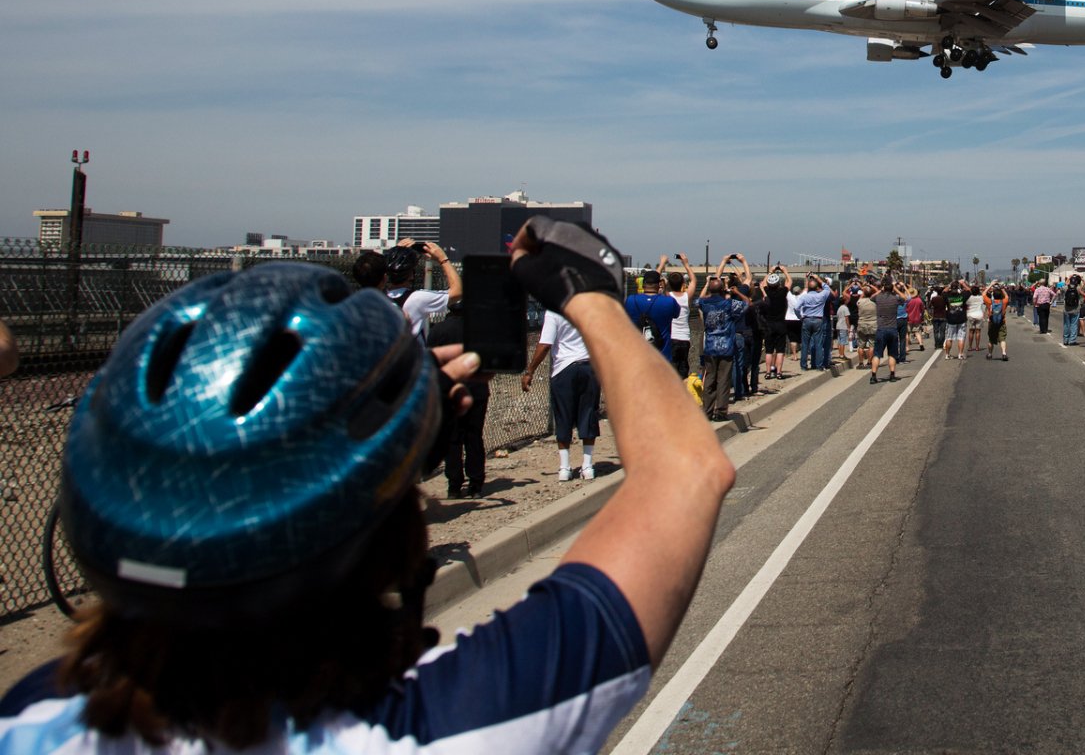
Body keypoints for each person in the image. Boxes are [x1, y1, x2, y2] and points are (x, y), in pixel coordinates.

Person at [1, 217, 732, 754]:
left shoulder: (32, 716)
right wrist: (591, 295)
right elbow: (685, 471)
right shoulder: (457, 720)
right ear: (388, 541)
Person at [523, 306, 601, 481]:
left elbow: (545, 345)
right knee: (588, 413)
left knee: (563, 415)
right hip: (589, 366)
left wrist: (530, 370)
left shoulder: (555, 311)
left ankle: (564, 467)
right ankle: (587, 466)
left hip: (564, 369)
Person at [350, 239, 463, 339]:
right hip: (412, 359)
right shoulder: (416, 299)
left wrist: (395, 254)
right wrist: (443, 259)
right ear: (411, 275)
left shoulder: (376, 300)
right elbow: (458, 291)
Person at [697, 270, 749, 422]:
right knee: (723, 380)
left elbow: (698, 300)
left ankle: (706, 410)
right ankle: (720, 411)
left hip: (710, 345)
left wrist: (707, 284)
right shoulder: (729, 304)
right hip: (726, 345)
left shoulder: (704, 303)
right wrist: (733, 291)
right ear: (722, 290)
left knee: (710, 379)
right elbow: (747, 303)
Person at [625, 267, 679, 360]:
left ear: (643, 285)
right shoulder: (669, 302)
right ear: (659, 285)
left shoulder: (630, 300)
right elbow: (676, 314)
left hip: (637, 355)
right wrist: (665, 289)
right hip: (662, 356)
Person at [866, 278, 901, 383]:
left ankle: (873, 376)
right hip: (892, 329)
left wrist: (880, 290)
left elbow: (871, 297)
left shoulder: (879, 298)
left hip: (881, 329)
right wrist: (896, 289)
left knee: (877, 354)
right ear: (892, 289)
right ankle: (892, 374)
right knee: (892, 354)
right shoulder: (895, 298)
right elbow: (906, 297)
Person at [795, 273, 832, 371]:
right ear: (816, 288)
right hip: (818, 319)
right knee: (818, 344)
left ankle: (803, 366)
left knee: (805, 344)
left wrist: (800, 317)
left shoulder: (804, 297)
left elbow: (796, 308)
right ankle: (819, 366)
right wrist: (818, 278)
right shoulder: (821, 296)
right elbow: (827, 288)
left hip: (806, 319)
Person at [1060, 277, 1083, 346]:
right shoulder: (1078, 288)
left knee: (1066, 325)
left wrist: (1066, 282)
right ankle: (1072, 340)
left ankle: (1065, 340)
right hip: (1076, 309)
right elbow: (1082, 292)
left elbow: (1060, 291)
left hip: (1066, 309)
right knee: (1074, 325)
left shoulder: (1065, 288)